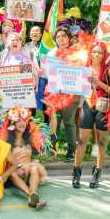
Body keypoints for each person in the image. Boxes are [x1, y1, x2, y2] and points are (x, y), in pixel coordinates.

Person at [72, 42, 110, 189]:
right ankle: (76, 172)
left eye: (99, 52)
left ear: (104, 54)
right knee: (81, 141)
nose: (96, 55)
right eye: (94, 52)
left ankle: (97, 173)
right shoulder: (84, 68)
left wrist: (99, 83)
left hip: (103, 107)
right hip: (87, 105)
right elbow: (74, 84)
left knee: (101, 142)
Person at [0, 107, 48, 210]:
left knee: (35, 167)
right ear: (12, 124)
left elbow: (50, 132)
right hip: (14, 172)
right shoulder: (6, 140)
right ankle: (32, 196)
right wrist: (19, 166)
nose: (22, 123)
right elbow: (6, 161)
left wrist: (53, 112)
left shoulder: (30, 137)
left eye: (24, 120)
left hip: (28, 170)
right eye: (19, 121)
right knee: (13, 172)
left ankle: (33, 196)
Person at [46, 27, 78, 162]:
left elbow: (81, 70)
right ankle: (52, 148)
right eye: (58, 36)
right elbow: (47, 73)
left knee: (69, 121)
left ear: (69, 38)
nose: (61, 38)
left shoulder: (76, 52)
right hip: (55, 91)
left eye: (63, 36)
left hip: (71, 91)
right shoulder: (51, 53)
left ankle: (72, 150)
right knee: (55, 119)